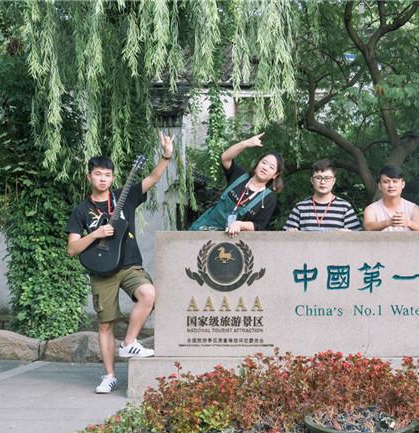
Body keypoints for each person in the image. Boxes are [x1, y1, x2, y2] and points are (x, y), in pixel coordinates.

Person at [66, 132, 174, 394]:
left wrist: (166, 155)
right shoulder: (81, 210)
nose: (103, 179)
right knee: (105, 324)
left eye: (107, 175)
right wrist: (95, 234)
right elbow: (72, 249)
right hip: (101, 270)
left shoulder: (124, 197)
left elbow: (153, 177)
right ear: (89, 176)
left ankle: (129, 343)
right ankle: (109, 376)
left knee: (148, 294)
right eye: (98, 174)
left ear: (113, 178)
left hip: (129, 264)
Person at [189, 133, 283, 237]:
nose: (265, 167)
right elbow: (225, 158)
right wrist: (245, 143)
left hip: (231, 239)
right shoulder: (239, 175)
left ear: (275, 175)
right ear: (257, 164)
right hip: (203, 228)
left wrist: (240, 224)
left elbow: (259, 225)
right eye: (264, 162)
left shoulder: (269, 198)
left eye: (271, 167)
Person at [283, 159, 361, 231]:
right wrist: (290, 233)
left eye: (327, 178)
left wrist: (349, 234)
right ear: (312, 180)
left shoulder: (345, 207)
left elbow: (357, 237)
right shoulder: (300, 208)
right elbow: (285, 237)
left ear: (333, 181)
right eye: (318, 178)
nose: (323, 182)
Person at [363, 165, 419, 232]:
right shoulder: (371, 209)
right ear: (380, 186)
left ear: (403, 184)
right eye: (386, 182)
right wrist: (388, 222)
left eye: (395, 181)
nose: (391, 185)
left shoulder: (414, 208)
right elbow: (367, 227)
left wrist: (408, 223)